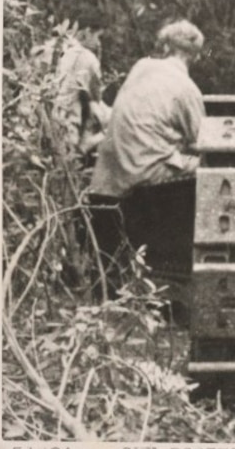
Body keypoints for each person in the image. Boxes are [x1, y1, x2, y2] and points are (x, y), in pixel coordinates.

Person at [85, 20, 207, 291]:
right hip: (144, 175)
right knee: (210, 171)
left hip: (109, 171)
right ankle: (186, 262)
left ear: (164, 46)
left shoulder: (141, 67)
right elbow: (202, 142)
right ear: (195, 56)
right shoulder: (187, 89)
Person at [51, 8, 111, 162]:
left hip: (45, 120)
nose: (98, 43)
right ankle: (81, 151)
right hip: (67, 127)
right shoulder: (87, 58)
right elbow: (97, 104)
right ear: (87, 32)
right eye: (98, 37)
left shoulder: (55, 47)